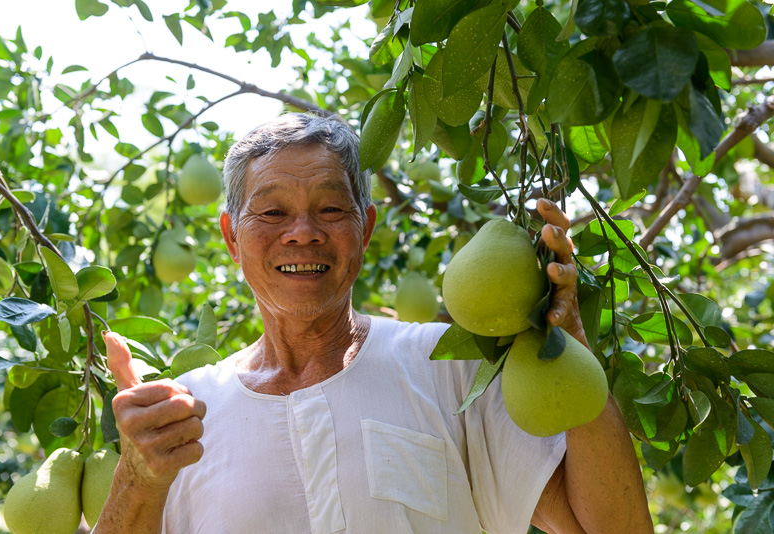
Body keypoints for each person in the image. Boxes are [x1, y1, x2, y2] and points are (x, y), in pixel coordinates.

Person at [94, 113, 652, 534]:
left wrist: (568, 339)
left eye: (331, 209)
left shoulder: (452, 365)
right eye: (272, 212)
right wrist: (137, 480)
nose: (303, 232)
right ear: (231, 238)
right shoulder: (186, 414)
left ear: (365, 230)